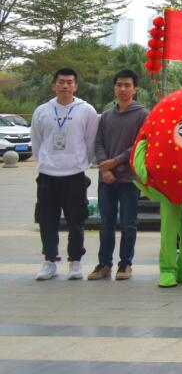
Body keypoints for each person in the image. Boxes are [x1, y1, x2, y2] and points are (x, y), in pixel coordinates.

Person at [31, 68, 99, 281]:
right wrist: (46, 162)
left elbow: (90, 141)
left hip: (74, 175)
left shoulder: (85, 110)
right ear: (54, 85)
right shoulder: (42, 110)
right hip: (48, 175)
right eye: (61, 82)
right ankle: (49, 261)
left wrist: (80, 163)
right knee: (47, 220)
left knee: (76, 220)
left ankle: (75, 262)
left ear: (75, 86)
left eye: (70, 82)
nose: (65, 86)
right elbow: (37, 141)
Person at [88, 69, 148, 281]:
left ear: (135, 89)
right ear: (114, 88)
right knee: (106, 223)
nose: (122, 89)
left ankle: (125, 263)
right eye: (119, 85)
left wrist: (116, 162)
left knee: (129, 222)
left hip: (129, 179)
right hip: (107, 179)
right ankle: (104, 264)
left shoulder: (142, 115)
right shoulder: (106, 116)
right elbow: (98, 143)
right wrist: (105, 168)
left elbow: (140, 145)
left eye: (127, 85)